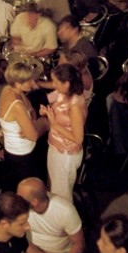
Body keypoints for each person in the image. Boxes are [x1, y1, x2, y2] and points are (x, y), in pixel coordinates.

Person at [15, 177, 84, 253]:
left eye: (20, 197)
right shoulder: (19, 208)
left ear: (34, 202)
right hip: (30, 248)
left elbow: (78, 244)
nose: (16, 200)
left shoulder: (64, 210)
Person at [40, 64, 86, 198]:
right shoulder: (64, 93)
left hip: (66, 155)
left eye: (56, 82)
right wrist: (46, 112)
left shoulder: (75, 105)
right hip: (56, 147)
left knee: (62, 195)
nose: (53, 84)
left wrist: (54, 124)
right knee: (53, 188)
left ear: (66, 83)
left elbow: (78, 138)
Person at [0, 62, 45, 188]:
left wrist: (32, 123)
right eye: (28, 80)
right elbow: (33, 136)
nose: (32, 82)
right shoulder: (17, 105)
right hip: (22, 156)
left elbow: (32, 111)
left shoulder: (9, 89)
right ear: (18, 84)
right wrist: (44, 123)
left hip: (13, 152)